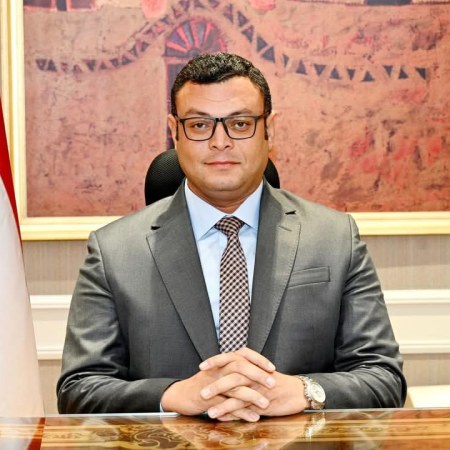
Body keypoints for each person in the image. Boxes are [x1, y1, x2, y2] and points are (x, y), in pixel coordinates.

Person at [57, 52, 406, 422]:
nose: (220, 142)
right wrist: (171, 395)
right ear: (175, 132)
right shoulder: (114, 251)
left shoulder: (335, 238)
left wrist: (305, 391)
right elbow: (79, 389)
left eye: (240, 124)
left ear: (270, 129)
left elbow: (384, 379)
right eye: (199, 125)